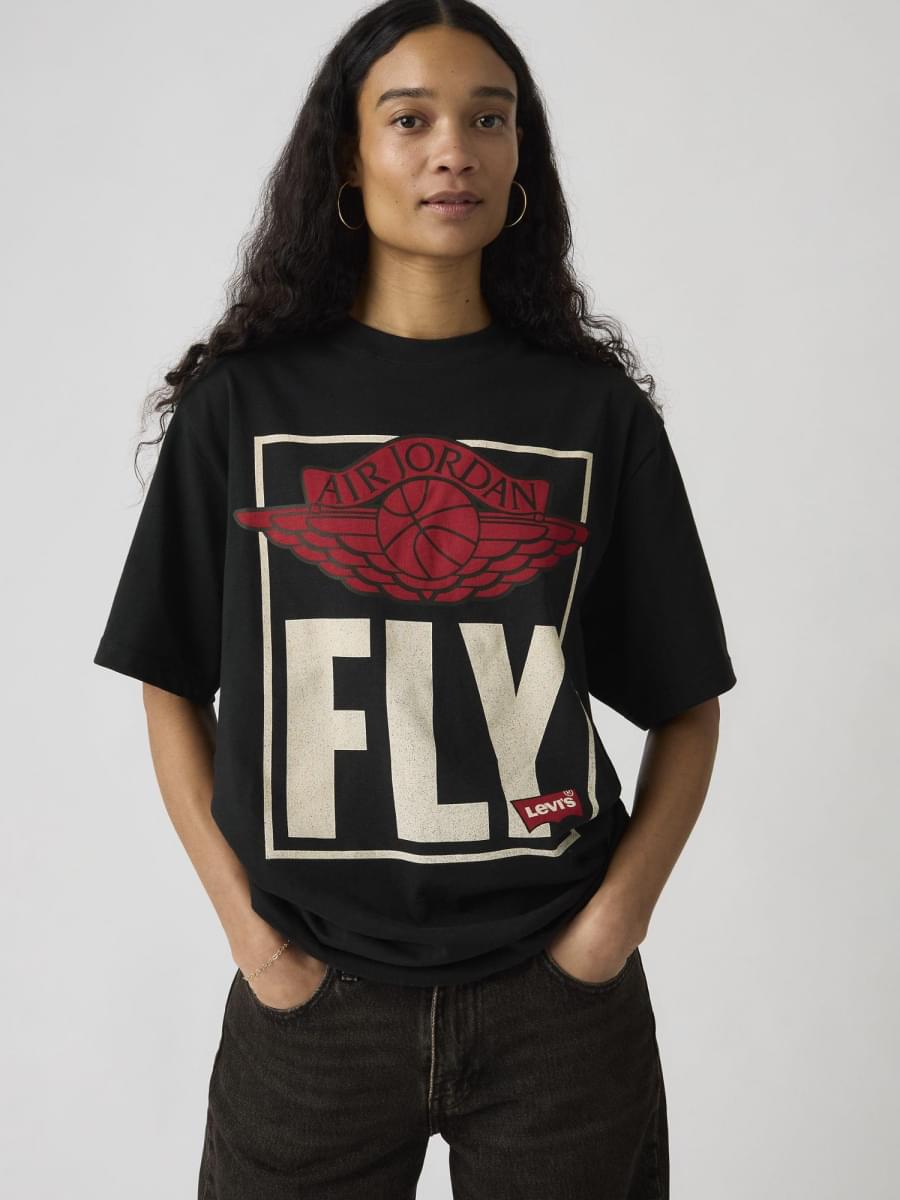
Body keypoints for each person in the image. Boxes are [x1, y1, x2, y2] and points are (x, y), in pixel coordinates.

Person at [92, 3, 737, 1197]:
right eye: (410, 119)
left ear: (522, 157)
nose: (455, 150)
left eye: (490, 119)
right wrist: (256, 943)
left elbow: (686, 705)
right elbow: (168, 680)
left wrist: (609, 933)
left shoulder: (592, 415)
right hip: (313, 1012)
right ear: (346, 157)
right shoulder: (243, 408)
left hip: (558, 1012)